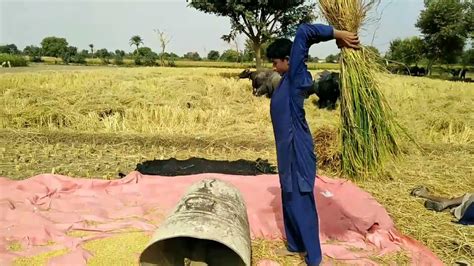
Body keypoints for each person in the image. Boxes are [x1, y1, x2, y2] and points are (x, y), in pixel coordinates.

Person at [265, 23, 359, 265]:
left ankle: (314, 258)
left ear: (288, 59)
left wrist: (337, 35)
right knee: (288, 195)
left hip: (297, 148)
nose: (273, 67)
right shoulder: (286, 79)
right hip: (286, 151)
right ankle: (295, 244)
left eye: (276, 62)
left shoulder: (295, 77)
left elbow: (304, 32)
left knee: (300, 198)